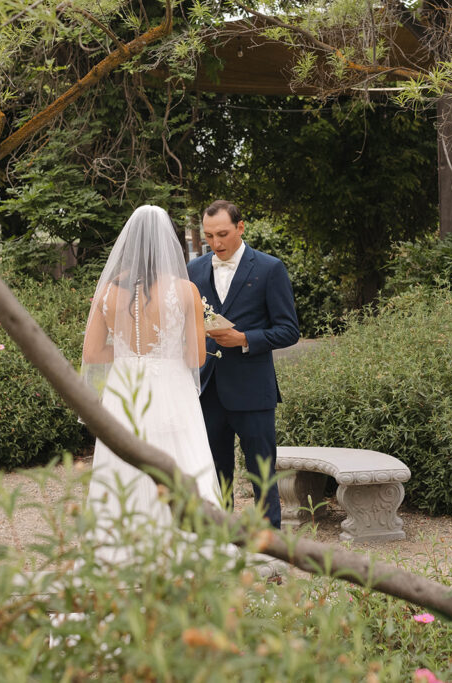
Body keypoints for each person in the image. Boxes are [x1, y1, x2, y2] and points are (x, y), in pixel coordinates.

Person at [80, 205, 221, 557]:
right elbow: (196, 358)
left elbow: (94, 352)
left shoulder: (109, 292)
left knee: (123, 464)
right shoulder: (186, 290)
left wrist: (129, 354)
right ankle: (186, 548)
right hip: (171, 388)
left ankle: (120, 550)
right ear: (169, 242)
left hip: (124, 388)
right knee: (181, 460)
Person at [187, 200, 300, 529]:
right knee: (214, 476)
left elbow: (289, 330)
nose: (216, 243)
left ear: (240, 227)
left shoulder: (269, 268)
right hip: (207, 390)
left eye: (222, 234)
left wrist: (245, 339)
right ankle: (223, 543)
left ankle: (271, 548)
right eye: (209, 236)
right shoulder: (194, 271)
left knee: (262, 474)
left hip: (253, 391)